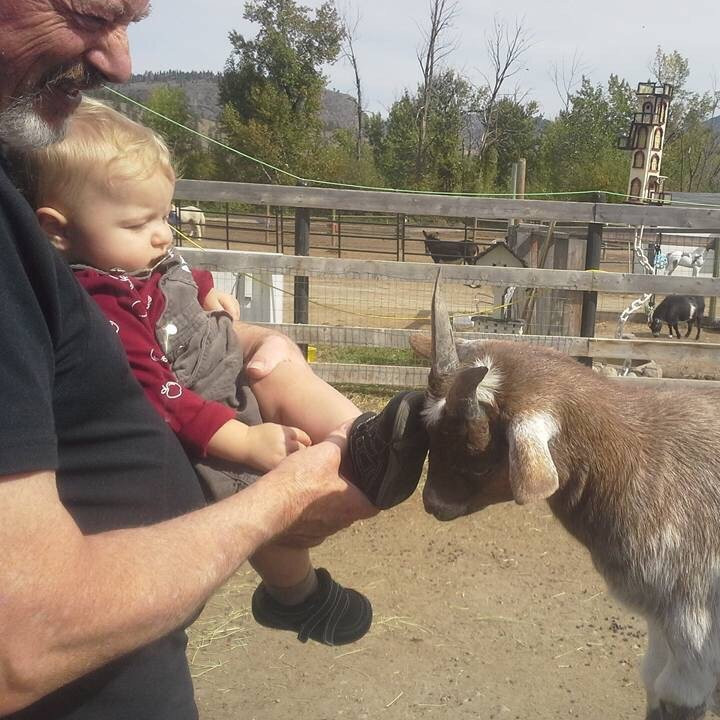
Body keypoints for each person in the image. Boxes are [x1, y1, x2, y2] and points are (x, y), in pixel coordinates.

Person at [0, 2, 428, 717]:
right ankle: (303, 576)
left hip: (142, 657)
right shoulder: (96, 288)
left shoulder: (96, 245)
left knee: (278, 364)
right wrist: (285, 488)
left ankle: (370, 437)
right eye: (89, 10)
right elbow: (23, 637)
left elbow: (179, 290)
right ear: (63, 231)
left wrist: (230, 319)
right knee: (248, 461)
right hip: (200, 442)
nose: (122, 62)